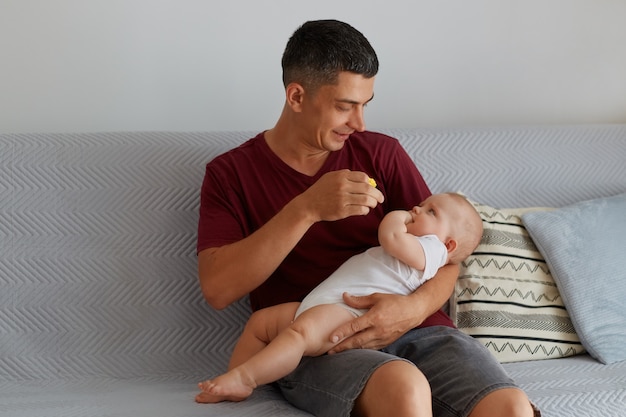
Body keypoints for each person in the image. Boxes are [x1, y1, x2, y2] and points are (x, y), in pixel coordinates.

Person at [196, 19, 538, 417]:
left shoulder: (382, 154)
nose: (359, 124)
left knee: (511, 407)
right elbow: (218, 289)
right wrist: (305, 208)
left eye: (365, 105)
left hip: (421, 328)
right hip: (318, 338)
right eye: (345, 106)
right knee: (404, 388)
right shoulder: (230, 174)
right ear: (296, 96)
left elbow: (449, 256)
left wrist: (410, 311)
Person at [197, 192, 483, 411]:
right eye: (422, 204)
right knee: (261, 322)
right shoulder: (424, 242)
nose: (417, 208)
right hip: (325, 302)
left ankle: (246, 378)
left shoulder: (432, 252)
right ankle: (234, 378)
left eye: (431, 211)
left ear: (449, 245)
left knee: (298, 335)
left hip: (349, 312)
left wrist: (398, 217)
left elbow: (390, 237)